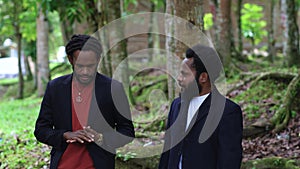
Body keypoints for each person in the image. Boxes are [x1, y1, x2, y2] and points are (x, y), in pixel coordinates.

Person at [34, 34, 135, 169]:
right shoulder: (55, 88)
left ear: (98, 60)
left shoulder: (113, 89)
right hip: (62, 164)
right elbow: (41, 130)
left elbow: (127, 132)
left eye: (91, 66)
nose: (85, 72)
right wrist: (64, 135)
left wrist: (101, 138)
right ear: (71, 60)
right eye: (80, 66)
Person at [159, 44, 243, 169]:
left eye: (185, 74)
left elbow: (229, 161)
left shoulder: (227, 112)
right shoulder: (176, 105)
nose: (179, 79)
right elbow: (167, 153)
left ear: (203, 77)